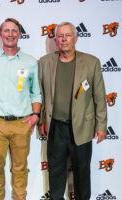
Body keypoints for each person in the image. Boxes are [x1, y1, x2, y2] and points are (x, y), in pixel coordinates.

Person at [38, 22, 107, 200]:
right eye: (60, 36)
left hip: (82, 127)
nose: (64, 39)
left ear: (75, 39)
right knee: (56, 174)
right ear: (55, 40)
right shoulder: (45, 62)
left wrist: (101, 125)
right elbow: (41, 94)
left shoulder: (91, 62)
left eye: (68, 35)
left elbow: (99, 97)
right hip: (56, 128)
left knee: (82, 174)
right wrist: (42, 120)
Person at [0, 18, 42, 200]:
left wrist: (35, 116)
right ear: (0, 35)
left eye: (14, 31)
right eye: (6, 31)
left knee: (20, 169)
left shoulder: (31, 62)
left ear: (20, 35)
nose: (10, 34)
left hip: (21, 123)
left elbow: (36, 93)